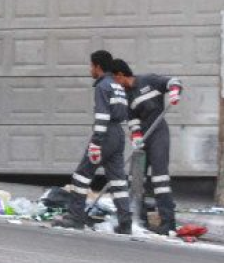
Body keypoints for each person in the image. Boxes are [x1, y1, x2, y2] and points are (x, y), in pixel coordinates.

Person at [52, 50, 132, 234]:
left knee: (81, 176)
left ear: (97, 66)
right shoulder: (117, 86)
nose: (90, 70)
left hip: (105, 135)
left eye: (91, 66)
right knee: (118, 181)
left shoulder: (103, 86)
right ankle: (125, 222)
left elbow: (103, 116)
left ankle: (75, 217)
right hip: (118, 135)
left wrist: (96, 143)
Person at [111, 58, 183, 235]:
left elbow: (173, 82)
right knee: (136, 179)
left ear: (120, 75)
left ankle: (168, 223)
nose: (114, 84)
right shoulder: (127, 96)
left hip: (158, 133)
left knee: (160, 179)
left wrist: (174, 92)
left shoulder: (148, 81)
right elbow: (132, 119)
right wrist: (136, 136)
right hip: (142, 139)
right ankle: (138, 218)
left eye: (114, 79)